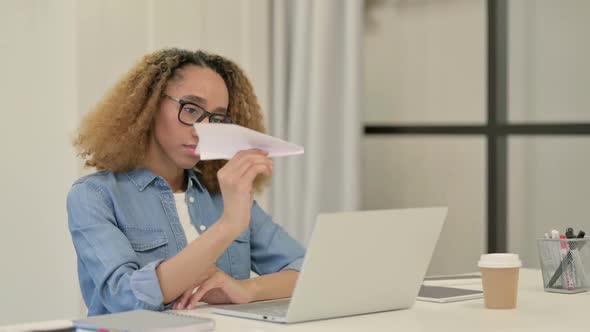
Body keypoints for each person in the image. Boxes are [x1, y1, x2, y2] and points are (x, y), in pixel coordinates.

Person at [67, 48, 305, 316]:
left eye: (216, 118)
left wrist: (246, 289)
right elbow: (124, 297)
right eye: (191, 109)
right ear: (150, 105)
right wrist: (228, 225)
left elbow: (307, 271)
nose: (202, 129)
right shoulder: (95, 195)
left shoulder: (221, 195)